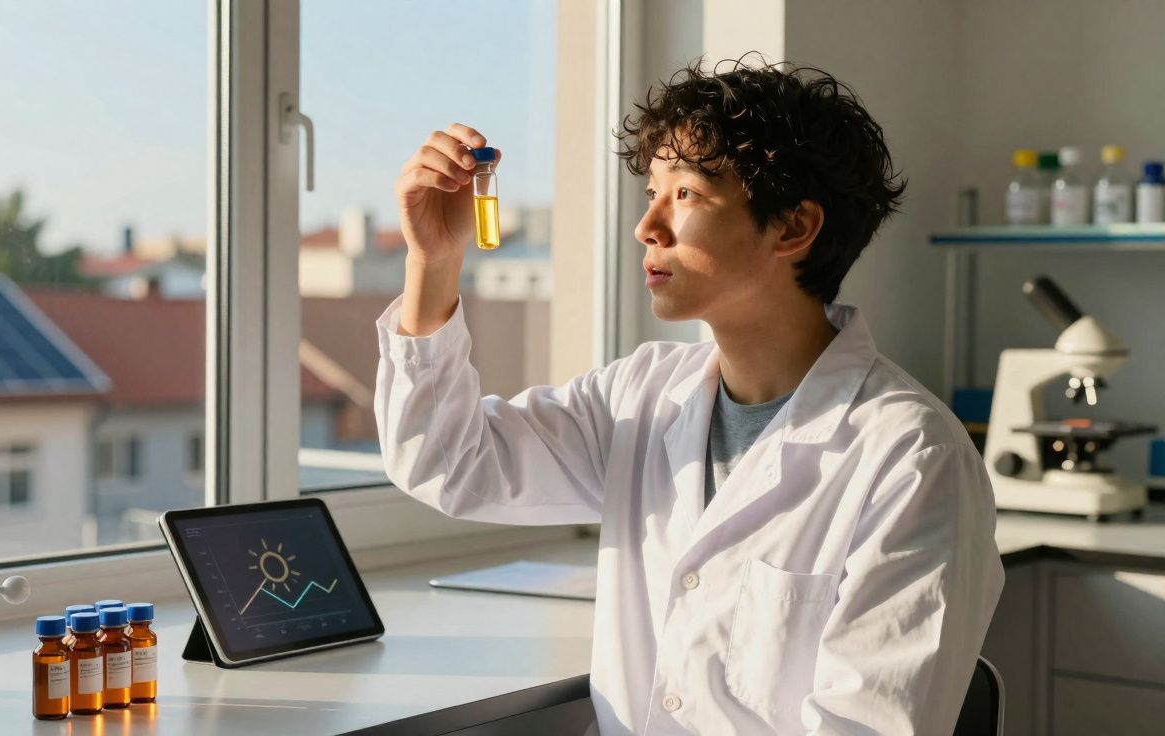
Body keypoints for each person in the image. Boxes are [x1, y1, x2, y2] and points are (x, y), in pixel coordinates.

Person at [375, 57, 1003, 735]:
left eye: (686, 194)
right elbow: (447, 463)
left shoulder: (910, 459)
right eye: (652, 191)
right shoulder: (640, 396)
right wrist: (433, 263)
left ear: (793, 228)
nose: (648, 225)